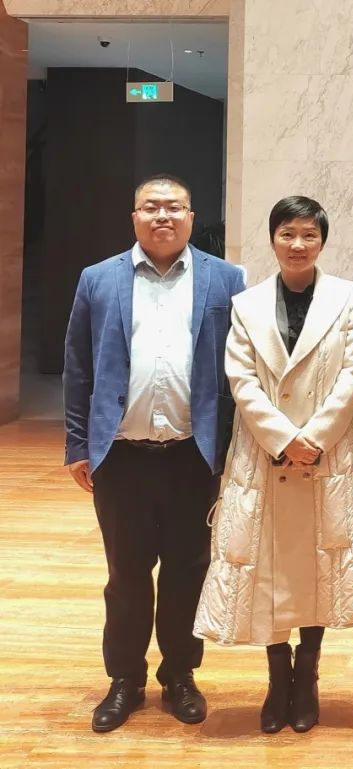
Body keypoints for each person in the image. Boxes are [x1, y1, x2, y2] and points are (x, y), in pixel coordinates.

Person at [193, 196, 353, 733]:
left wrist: (314, 438)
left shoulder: (345, 297)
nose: (298, 245)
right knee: (269, 564)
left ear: (322, 241)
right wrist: (282, 438)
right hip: (264, 452)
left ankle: (309, 676)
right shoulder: (247, 303)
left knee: (320, 561)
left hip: (328, 453)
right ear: (273, 239)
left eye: (308, 235)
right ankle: (278, 679)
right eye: (287, 234)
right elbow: (241, 378)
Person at [62, 174, 246, 732]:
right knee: (126, 574)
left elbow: (240, 371)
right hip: (121, 456)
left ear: (191, 217)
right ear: (134, 217)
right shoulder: (98, 279)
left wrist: (235, 450)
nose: (162, 216)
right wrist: (78, 444)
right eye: (151, 207)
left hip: (194, 455)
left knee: (189, 571)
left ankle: (180, 675)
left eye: (174, 207)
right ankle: (125, 680)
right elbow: (78, 366)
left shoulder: (226, 279)